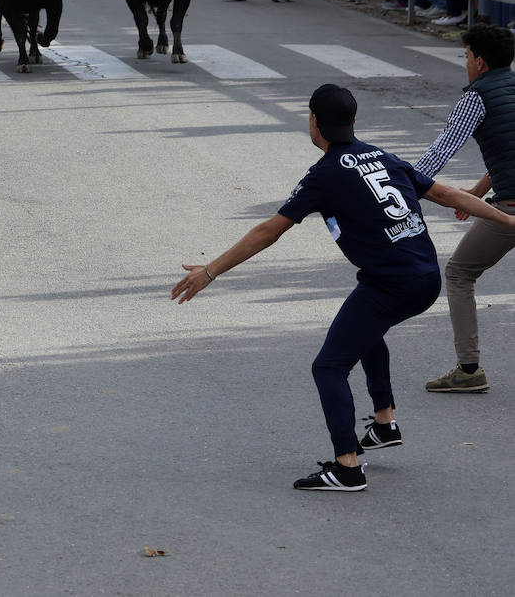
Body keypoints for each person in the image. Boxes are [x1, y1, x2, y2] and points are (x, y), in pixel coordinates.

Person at [171, 84, 515, 492]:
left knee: (328, 366)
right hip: (422, 275)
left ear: (313, 120)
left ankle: (347, 467)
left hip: (393, 284)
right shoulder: (382, 156)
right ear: (354, 121)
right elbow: (445, 193)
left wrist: (210, 271)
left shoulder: (325, 174)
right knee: (365, 326)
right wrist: (509, 222)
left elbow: (269, 231)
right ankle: (384, 423)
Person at [407, 26, 515, 392]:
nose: (465, 63)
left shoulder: (477, 98)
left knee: (459, 273)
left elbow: (442, 150)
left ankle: (468, 370)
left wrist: (405, 184)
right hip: (504, 196)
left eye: (466, 56)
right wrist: (477, 191)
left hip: (510, 211)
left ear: (480, 62)